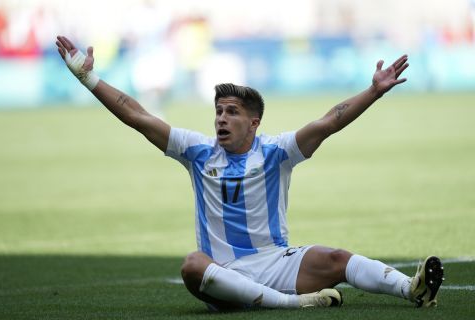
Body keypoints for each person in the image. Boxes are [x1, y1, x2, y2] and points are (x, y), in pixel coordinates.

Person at [55, 35, 444, 311]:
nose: (221, 119)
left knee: (337, 258)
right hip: (221, 275)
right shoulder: (197, 150)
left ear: (254, 122)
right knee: (192, 265)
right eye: (219, 111)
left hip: (275, 263)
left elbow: (329, 122)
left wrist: (373, 91)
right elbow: (137, 115)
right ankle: (293, 305)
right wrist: (89, 79)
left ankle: (412, 291)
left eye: (232, 112)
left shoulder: (277, 152)